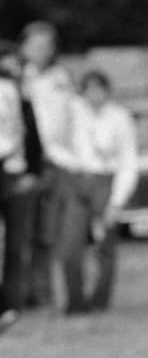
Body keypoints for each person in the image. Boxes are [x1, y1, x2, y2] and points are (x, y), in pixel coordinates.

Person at [57, 69, 138, 313]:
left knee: (105, 245)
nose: (94, 95)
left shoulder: (119, 117)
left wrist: (117, 201)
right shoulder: (73, 111)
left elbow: (127, 160)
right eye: (89, 89)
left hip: (106, 181)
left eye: (99, 89)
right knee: (71, 246)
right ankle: (75, 302)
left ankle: (100, 300)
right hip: (79, 179)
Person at [19, 21, 76, 307]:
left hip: (57, 160)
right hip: (26, 163)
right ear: (24, 47)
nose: (42, 51)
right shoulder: (18, 79)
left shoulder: (61, 77)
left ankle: (43, 293)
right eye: (36, 45)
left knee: (47, 232)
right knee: (21, 231)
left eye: (47, 46)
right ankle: (20, 293)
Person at [0, 41, 37, 332]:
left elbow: (21, 135)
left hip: (11, 171)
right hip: (9, 169)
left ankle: (11, 305)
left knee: (15, 245)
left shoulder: (14, 92)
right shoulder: (10, 90)